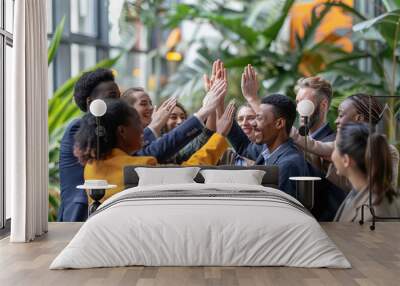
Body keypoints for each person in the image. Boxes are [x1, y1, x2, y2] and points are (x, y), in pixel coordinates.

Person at [74, 99, 236, 202]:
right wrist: (219, 135)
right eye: (138, 123)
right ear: (122, 131)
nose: (143, 129)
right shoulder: (142, 167)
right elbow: (190, 173)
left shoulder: (91, 165)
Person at [292, 93, 400, 190]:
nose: (336, 121)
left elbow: (374, 189)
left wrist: (293, 134)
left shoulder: (388, 152)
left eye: (341, 115)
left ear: (359, 118)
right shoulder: (340, 144)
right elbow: (317, 146)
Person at [58, 68, 120, 222]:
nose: (119, 103)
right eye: (112, 97)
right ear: (91, 102)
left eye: (120, 97)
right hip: (81, 215)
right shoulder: (78, 128)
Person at [227, 93, 309, 196]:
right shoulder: (266, 151)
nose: (253, 123)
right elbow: (242, 145)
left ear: (279, 123)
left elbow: (281, 209)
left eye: (259, 118)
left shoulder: (288, 165)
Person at [332, 123, 400, 222]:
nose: (332, 155)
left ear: (346, 160)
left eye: (334, 149)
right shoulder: (361, 192)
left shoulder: (374, 215)